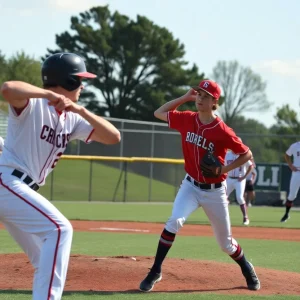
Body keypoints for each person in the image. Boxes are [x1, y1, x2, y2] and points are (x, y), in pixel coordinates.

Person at [0, 52, 121, 300]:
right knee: (60, 229)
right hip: (8, 182)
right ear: (68, 82)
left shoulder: (72, 118)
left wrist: (81, 110)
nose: (83, 85)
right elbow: (8, 88)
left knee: (42, 253)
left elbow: (113, 137)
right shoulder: (33, 105)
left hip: (18, 191)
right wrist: (47, 94)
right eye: (79, 80)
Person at [139, 79, 260, 292]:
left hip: (215, 192)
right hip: (190, 186)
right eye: (198, 94)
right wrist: (185, 98)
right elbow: (159, 113)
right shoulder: (187, 119)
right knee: (174, 220)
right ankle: (155, 270)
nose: (200, 99)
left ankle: (246, 266)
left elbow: (247, 154)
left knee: (226, 244)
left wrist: (223, 170)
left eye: (205, 96)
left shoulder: (222, 130)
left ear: (215, 102)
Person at [225, 148, 253, 225]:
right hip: (229, 178)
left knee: (240, 197)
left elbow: (251, 166)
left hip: (239, 180)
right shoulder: (227, 154)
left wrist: (244, 177)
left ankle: (245, 217)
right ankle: (224, 218)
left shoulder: (242, 155)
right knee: (223, 197)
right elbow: (222, 164)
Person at [280, 141, 300, 222]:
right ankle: (286, 214)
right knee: (292, 195)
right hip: (297, 171)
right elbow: (287, 155)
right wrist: (290, 165)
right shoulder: (295, 145)